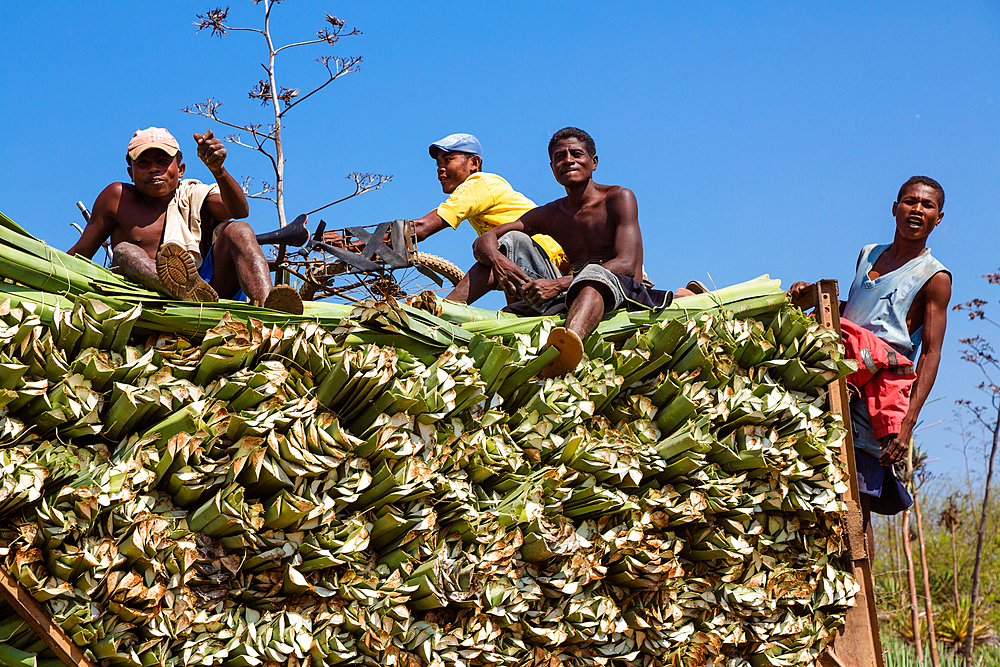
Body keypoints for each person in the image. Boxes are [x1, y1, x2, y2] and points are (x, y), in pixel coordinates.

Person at [789, 176, 951, 545]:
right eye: (910, 201)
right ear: (895, 208)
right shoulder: (868, 254)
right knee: (821, 487)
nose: (917, 210)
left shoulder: (935, 278)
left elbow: (931, 352)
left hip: (877, 393)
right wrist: (813, 295)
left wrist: (907, 423)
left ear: (938, 218)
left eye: (927, 206)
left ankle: (859, 598)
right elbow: (857, 317)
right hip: (840, 374)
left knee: (856, 502)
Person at [469, 127, 695, 377]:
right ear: (553, 168)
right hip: (571, 293)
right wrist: (501, 262)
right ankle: (443, 310)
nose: (568, 160)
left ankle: (567, 348)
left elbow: (627, 264)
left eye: (576, 154)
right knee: (512, 239)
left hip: (622, 289)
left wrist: (557, 284)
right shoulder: (552, 213)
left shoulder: (619, 198)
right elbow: (484, 241)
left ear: (593, 162)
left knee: (593, 276)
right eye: (559, 157)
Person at [68, 127, 302, 314]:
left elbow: (239, 210)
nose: (154, 170)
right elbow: (80, 254)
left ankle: (270, 310)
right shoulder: (117, 198)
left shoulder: (194, 195)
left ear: (180, 169)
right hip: (145, 299)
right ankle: (184, 289)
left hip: (210, 294)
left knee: (239, 230)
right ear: (131, 172)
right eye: (144, 163)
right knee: (123, 251)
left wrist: (218, 171)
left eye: (162, 161)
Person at [406, 133, 568, 305]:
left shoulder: (478, 183)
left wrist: (380, 242)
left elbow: (423, 227)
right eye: (438, 163)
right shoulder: (483, 196)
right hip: (543, 272)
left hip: (551, 272)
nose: (440, 168)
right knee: (494, 253)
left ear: (474, 163)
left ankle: (441, 311)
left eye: (448, 160)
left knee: (504, 246)